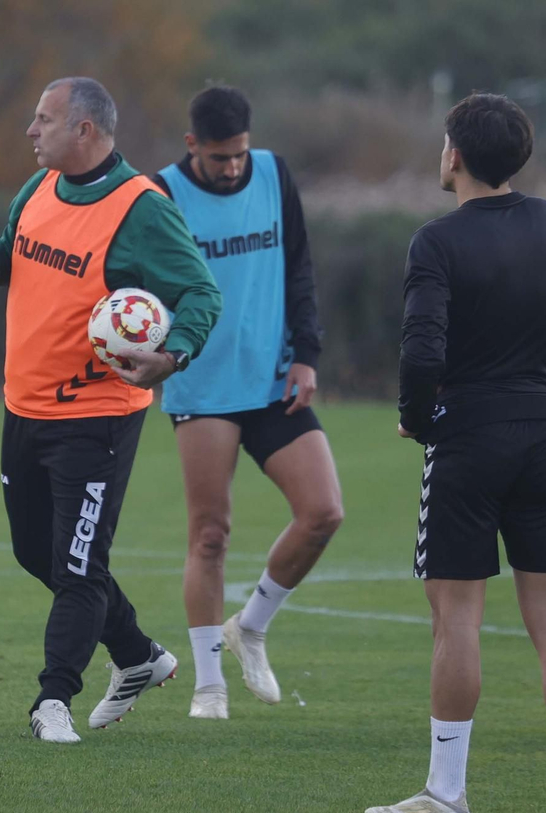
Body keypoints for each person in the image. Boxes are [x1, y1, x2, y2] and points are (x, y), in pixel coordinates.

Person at [364, 93, 546, 813]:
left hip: (468, 441)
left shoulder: (436, 241)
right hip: (544, 440)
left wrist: (417, 418)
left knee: (456, 619)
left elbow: (422, 349)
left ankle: (447, 792)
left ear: (453, 155)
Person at [0, 77, 222, 743]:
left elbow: (201, 293)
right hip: (24, 408)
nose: (31, 131)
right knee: (36, 551)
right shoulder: (38, 187)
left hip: (97, 417)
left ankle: (53, 699)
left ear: (84, 130)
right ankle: (138, 654)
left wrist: (172, 354)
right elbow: (13, 261)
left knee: (77, 566)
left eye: (44, 119)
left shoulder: (141, 209)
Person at [149, 86, 343, 720]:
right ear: (191, 146)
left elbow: (300, 267)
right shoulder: (161, 194)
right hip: (202, 387)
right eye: (218, 157)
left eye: (239, 154)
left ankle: (251, 626)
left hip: (273, 380)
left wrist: (307, 353)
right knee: (210, 534)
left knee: (323, 512)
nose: (232, 168)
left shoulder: (274, 174)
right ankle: (209, 686)